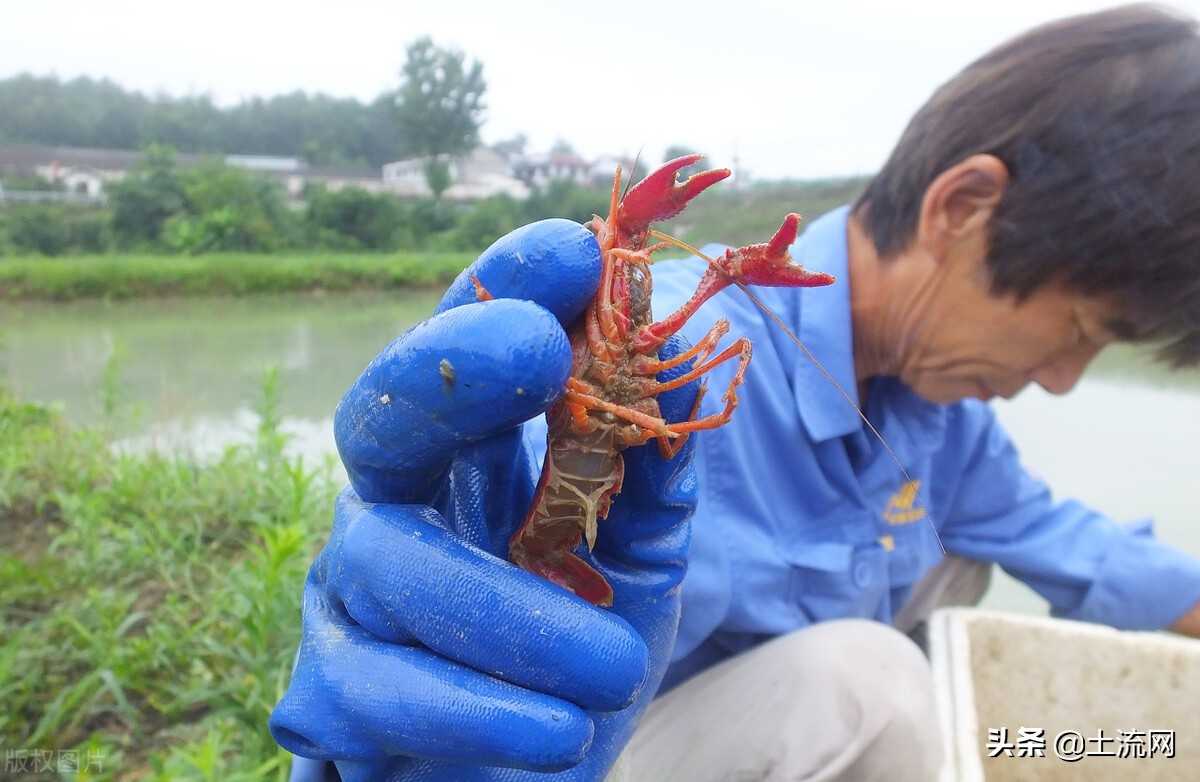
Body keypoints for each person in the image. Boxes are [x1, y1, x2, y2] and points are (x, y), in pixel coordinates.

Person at [270, 5, 1200, 780]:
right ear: (962, 209)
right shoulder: (698, 338)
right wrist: (420, 596)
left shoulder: (941, 412)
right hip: (595, 740)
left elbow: (1081, 550)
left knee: (956, 572)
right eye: (1079, 331)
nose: (1063, 380)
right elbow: (506, 456)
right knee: (876, 679)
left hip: (745, 711)